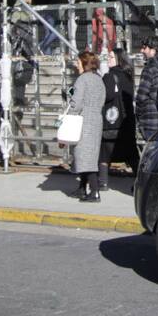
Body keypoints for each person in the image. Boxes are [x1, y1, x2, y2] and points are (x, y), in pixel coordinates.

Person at [67, 50, 106, 202]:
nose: (77, 65)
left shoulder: (82, 80)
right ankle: (82, 188)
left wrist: (70, 101)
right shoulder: (99, 79)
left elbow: (76, 104)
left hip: (84, 121)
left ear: (84, 63)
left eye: (78, 62)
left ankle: (94, 191)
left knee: (85, 157)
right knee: (87, 156)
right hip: (96, 120)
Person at [100, 48, 134, 191]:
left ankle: (102, 183)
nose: (108, 59)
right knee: (131, 154)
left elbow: (105, 97)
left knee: (104, 154)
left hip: (111, 120)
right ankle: (140, 180)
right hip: (127, 120)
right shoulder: (128, 75)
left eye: (111, 57)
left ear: (119, 59)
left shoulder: (109, 76)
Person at [134, 36, 158, 140]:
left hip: (151, 121)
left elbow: (141, 96)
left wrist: (138, 115)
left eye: (144, 47)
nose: (142, 50)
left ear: (153, 50)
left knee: (152, 153)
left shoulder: (150, 68)